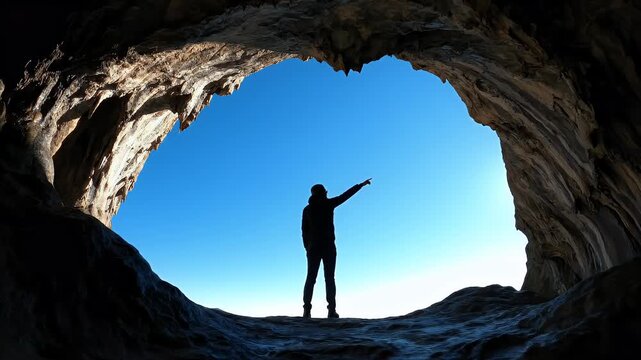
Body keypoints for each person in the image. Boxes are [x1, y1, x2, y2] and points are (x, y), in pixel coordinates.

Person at [301, 178, 372, 319]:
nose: (327, 193)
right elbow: (345, 196)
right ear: (322, 193)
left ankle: (307, 311)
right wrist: (360, 185)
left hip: (313, 248)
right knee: (329, 278)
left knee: (311, 278)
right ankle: (331, 311)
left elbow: (304, 231)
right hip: (328, 247)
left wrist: (307, 247)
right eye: (325, 192)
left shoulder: (307, 209)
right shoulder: (328, 204)